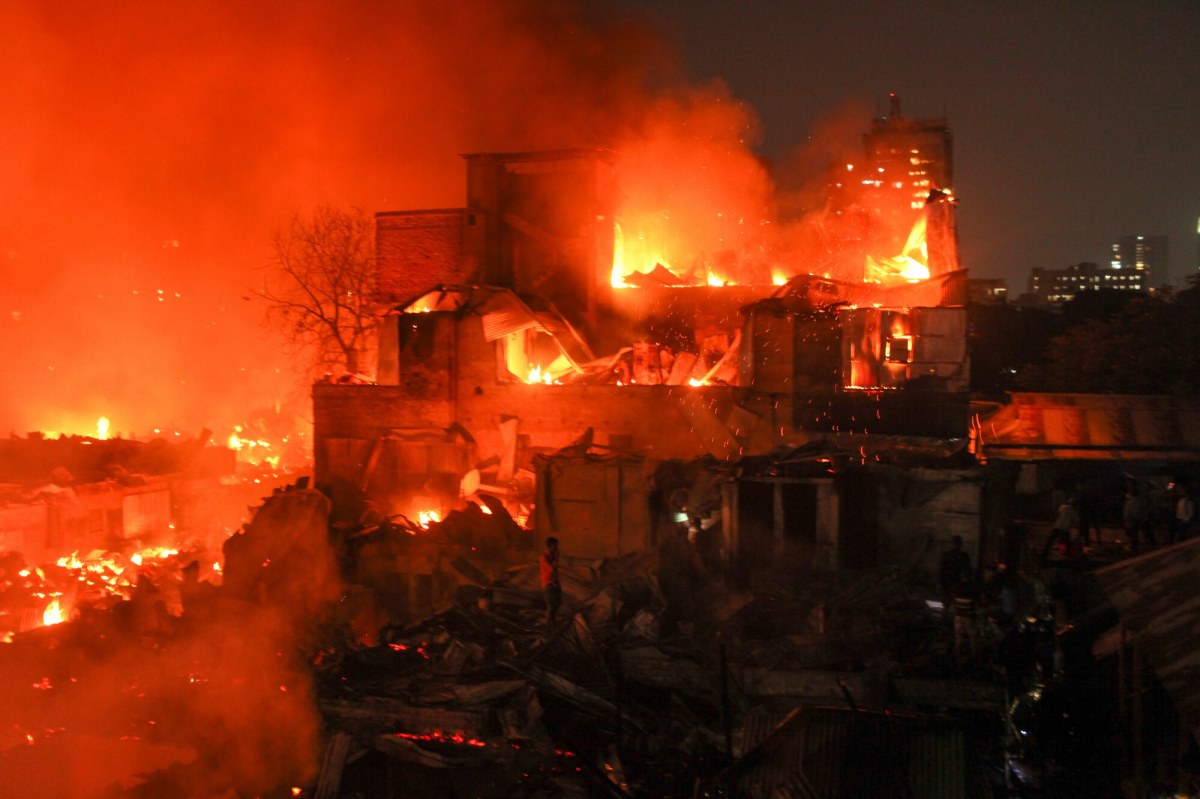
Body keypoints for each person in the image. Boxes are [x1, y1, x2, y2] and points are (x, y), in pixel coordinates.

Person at [938, 535, 971, 619]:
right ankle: (955, 622)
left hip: (947, 583)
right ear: (961, 544)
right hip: (958, 584)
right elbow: (967, 571)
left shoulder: (947, 555)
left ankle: (944, 621)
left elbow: (941, 570)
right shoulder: (964, 556)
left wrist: (941, 583)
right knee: (958, 606)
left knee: (946, 605)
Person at [1041, 496, 1079, 560]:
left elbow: (1057, 514)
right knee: (1067, 541)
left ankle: (1045, 552)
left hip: (1057, 526)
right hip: (1065, 528)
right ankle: (1068, 554)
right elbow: (1077, 521)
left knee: (1050, 539)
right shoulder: (1074, 512)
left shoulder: (1062, 507)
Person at [540, 536, 561, 628]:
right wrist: (556, 558)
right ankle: (547, 629)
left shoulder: (551, 557)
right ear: (550, 546)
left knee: (556, 606)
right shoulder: (545, 557)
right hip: (548, 585)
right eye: (555, 546)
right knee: (551, 606)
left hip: (554, 584)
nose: (556, 548)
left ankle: (553, 627)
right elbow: (552, 569)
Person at [1123, 482, 1149, 554]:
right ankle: (1133, 547)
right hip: (1131, 520)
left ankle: (1133, 548)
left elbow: (1133, 512)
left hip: (1132, 521)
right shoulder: (1132, 500)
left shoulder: (1134, 501)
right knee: (1132, 534)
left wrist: (1131, 518)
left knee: (1132, 535)